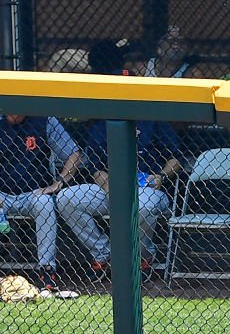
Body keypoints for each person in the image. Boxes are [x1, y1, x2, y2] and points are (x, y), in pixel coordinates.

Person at [57, 42, 182, 282]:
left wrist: (162, 177)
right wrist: (101, 178)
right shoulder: (104, 119)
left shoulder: (150, 116)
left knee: (142, 206)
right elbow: (93, 163)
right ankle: (105, 254)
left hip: (147, 188)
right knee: (66, 199)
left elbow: (176, 158)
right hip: (111, 188)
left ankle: (142, 256)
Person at [0, 113, 84, 290]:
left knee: (44, 204)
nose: (13, 115)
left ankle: (47, 270)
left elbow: (74, 154)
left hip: (35, 193)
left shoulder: (44, 120)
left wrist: (59, 182)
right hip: (2, 195)